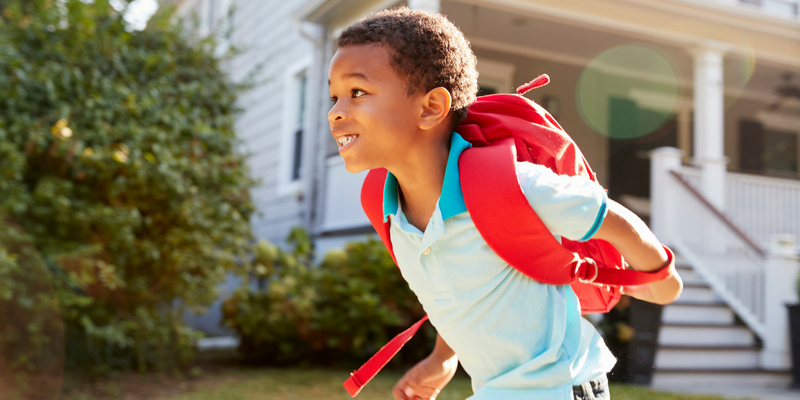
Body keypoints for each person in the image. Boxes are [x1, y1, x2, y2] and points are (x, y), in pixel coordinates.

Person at [327, 7, 683, 400]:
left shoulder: (508, 185)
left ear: (430, 107)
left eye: (357, 93)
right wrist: (443, 358)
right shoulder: (386, 206)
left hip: (562, 389)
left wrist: (658, 278)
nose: (335, 111)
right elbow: (459, 286)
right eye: (335, 96)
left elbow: (607, 214)